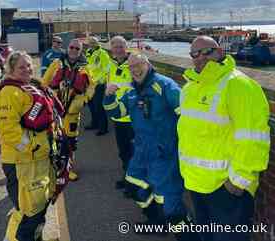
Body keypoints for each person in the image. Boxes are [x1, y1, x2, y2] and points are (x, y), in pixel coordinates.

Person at [178, 35, 270, 241]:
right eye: (195, 53)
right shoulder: (190, 87)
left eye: (206, 51)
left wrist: (237, 182)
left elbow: (253, 138)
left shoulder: (239, 85)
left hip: (225, 188)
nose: (200, 57)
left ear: (220, 51)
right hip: (196, 183)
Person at [104, 53, 200, 241]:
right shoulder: (131, 91)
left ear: (148, 64)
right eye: (131, 67)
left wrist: (185, 147)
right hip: (142, 151)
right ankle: (156, 221)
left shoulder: (165, 85)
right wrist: (109, 96)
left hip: (165, 154)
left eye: (139, 64)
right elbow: (117, 111)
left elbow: (186, 117)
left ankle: (189, 236)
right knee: (134, 185)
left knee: (169, 202)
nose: (135, 70)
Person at [0, 51, 65, 241]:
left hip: (39, 159)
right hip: (22, 163)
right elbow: (9, 130)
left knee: (40, 206)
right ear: (10, 69)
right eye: (21, 67)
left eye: (28, 65)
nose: (27, 69)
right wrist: (32, 147)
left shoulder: (29, 86)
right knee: (29, 213)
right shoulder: (9, 92)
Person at [42, 39, 95, 181]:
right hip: (55, 110)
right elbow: (44, 83)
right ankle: (54, 169)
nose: (73, 50)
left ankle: (68, 169)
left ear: (80, 51)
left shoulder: (85, 68)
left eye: (77, 49)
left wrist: (83, 101)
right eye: (71, 47)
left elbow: (91, 87)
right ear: (68, 47)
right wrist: (47, 99)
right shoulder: (56, 64)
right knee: (53, 140)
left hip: (72, 112)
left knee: (70, 142)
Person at [107, 36, 135, 194]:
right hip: (118, 117)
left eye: (120, 46)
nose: (118, 49)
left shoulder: (134, 63)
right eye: (115, 47)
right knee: (123, 151)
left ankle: (133, 184)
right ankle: (127, 177)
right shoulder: (111, 65)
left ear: (126, 47)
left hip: (132, 117)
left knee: (134, 152)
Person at [84, 36, 110, 136]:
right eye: (90, 42)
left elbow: (107, 69)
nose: (92, 44)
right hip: (89, 84)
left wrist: (100, 81)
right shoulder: (89, 52)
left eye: (94, 42)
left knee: (99, 106)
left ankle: (103, 128)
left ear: (97, 43)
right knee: (91, 105)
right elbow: (88, 66)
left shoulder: (102, 53)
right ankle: (94, 123)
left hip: (98, 84)